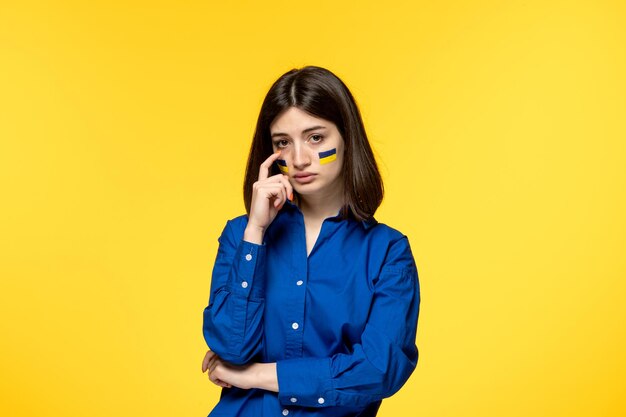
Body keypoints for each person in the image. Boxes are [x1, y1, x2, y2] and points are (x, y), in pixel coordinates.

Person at [201, 66, 420, 417]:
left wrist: (256, 374)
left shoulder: (386, 253)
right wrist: (256, 231)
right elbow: (231, 346)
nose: (299, 159)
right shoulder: (241, 236)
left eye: (315, 137)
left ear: (346, 138)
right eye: (282, 143)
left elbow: (378, 370)